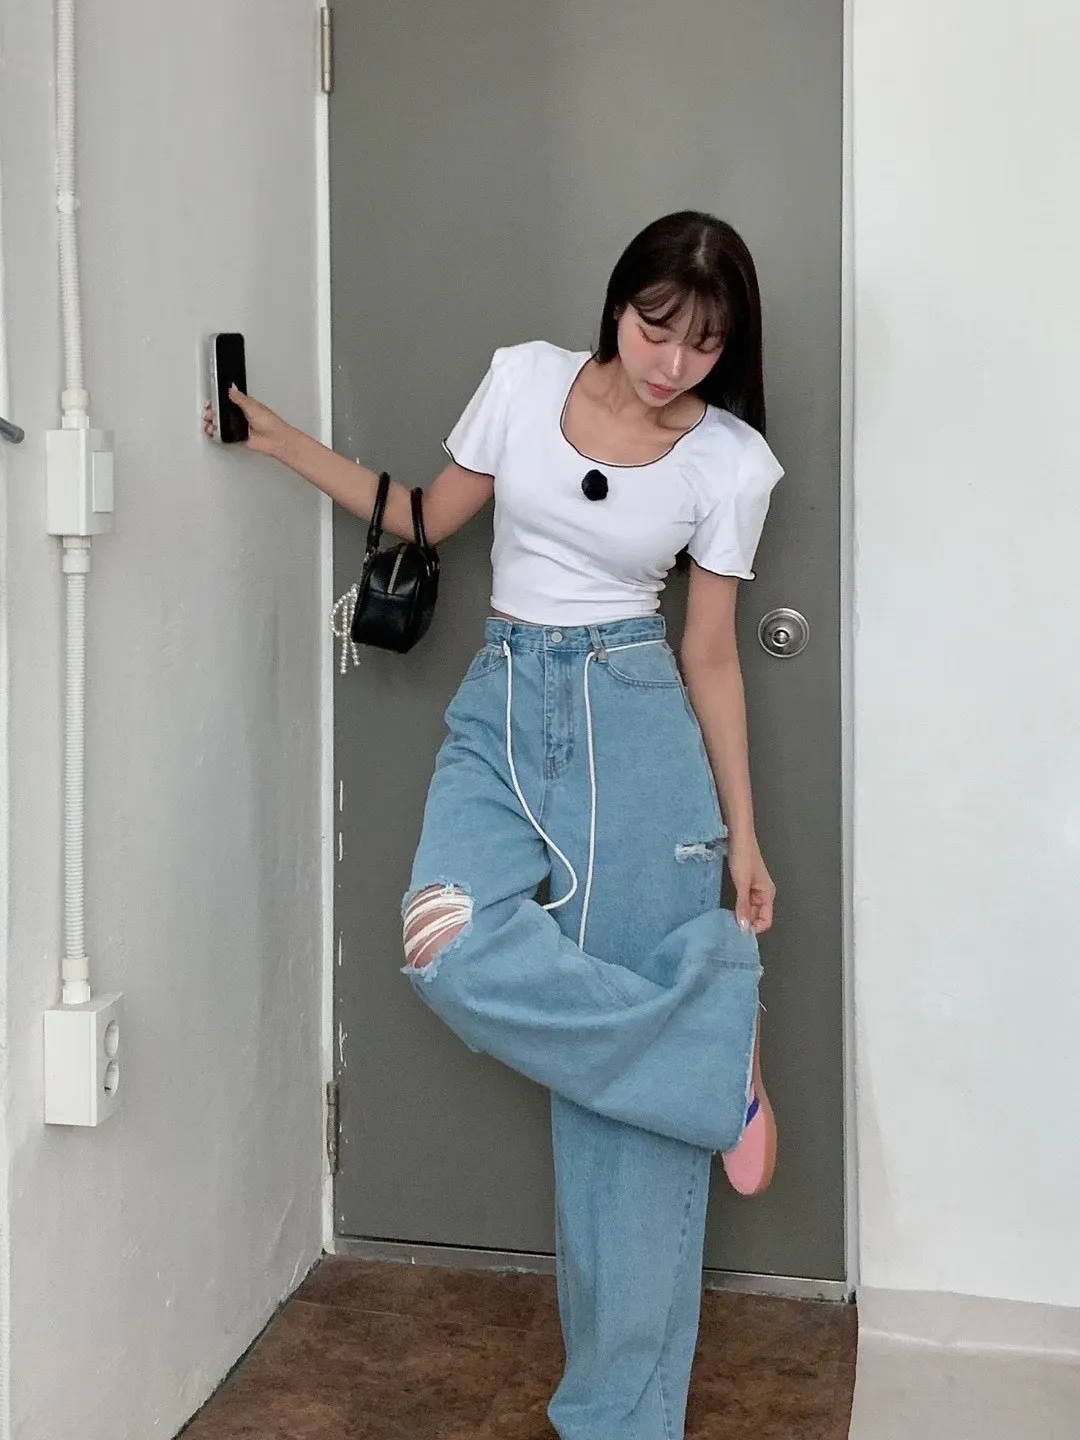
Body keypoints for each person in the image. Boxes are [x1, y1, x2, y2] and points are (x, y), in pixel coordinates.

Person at [207, 210, 783, 1440]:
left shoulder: (730, 461)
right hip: (505, 704)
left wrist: (744, 836)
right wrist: (278, 440)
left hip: (636, 723)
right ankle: (707, 1049)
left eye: (703, 344)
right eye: (656, 328)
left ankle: (618, 1421)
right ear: (619, 303)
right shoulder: (523, 380)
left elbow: (711, 652)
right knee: (445, 942)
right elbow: (423, 515)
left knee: (623, 1139)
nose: (672, 363)